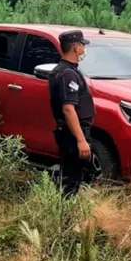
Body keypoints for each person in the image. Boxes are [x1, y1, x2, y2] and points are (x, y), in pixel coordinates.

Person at [48, 30, 96, 196]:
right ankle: (65, 210)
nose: (84, 49)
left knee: (76, 175)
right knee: (70, 180)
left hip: (72, 132)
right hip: (72, 134)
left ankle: (68, 206)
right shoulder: (67, 73)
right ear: (75, 47)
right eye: (82, 45)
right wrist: (81, 140)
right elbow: (68, 109)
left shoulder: (66, 70)